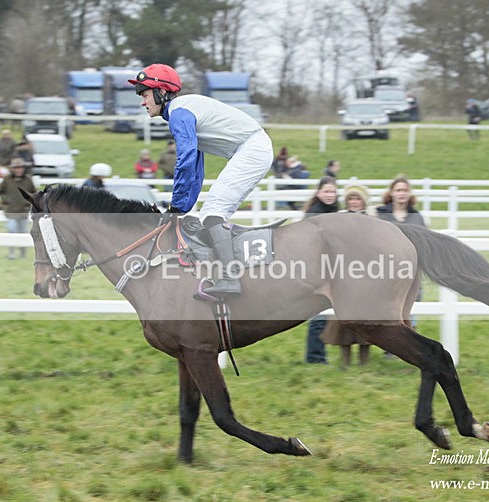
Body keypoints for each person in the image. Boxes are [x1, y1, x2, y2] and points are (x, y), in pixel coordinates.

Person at [129, 63, 273, 296]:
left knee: (212, 213)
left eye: (145, 95)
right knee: (211, 213)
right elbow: (196, 169)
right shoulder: (182, 111)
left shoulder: (179, 113)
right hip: (253, 149)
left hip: (252, 150)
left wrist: (176, 206)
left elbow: (185, 161)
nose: (142, 102)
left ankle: (230, 279)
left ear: (161, 92)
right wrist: (180, 209)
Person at [322, 184, 373, 366]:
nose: (354, 202)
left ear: (363, 201)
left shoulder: (372, 221)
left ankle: (364, 362)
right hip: (343, 274)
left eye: (357, 198)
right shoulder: (340, 220)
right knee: (343, 319)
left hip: (366, 274)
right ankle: (345, 361)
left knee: (367, 318)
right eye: (351, 198)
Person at [376, 175, 426, 336]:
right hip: (386, 273)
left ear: (409, 193)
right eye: (398, 190)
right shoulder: (381, 215)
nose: (402, 193)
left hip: (410, 274)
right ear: (391, 193)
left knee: (409, 317)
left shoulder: (417, 217)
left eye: (405, 190)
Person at [302, 177, 340, 364]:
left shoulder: (333, 212)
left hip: (328, 269)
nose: (330, 195)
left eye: (333, 191)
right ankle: (315, 357)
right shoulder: (315, 214)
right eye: (326, 191)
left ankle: (317, 355)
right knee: (319, 315)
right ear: (318, 193)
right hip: (316, 271)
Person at [0, 158, 36, 259]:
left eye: (20, 167)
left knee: (22, 232)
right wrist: (6, 201)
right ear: (12, 169)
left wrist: (28, 203)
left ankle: (23, 253)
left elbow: (33, 193)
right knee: (11, 230)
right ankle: (12, 253)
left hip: (23, 211)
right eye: (16, 168)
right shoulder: (7, 179)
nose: (19, 170)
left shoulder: (28, 180)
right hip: (10, 210)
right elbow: (1, 191)